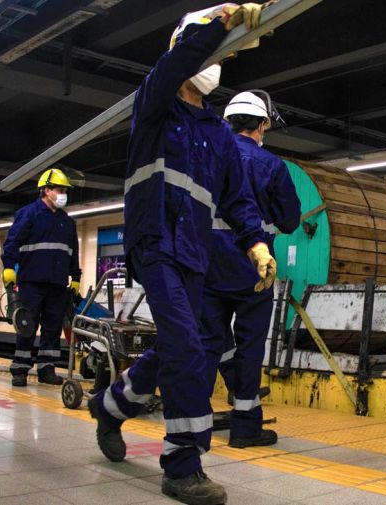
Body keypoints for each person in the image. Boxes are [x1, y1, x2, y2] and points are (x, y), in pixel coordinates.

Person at [86, 4, 272, 504]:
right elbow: (174, 62)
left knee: (178, 347)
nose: (215, 65)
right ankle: (182, 464)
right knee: (192, 350)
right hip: (154, 242)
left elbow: (237, 199)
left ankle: (109, 406)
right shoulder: (155, 105)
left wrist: (255, 241)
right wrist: (220, 24)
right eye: (210, 55)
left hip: (194, 253)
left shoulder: (218, 135)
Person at [203, 90, 300, 448]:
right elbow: (289, 220)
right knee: (250, 348)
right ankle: (245, 429)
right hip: (254, 271)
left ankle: (193, 428)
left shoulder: (207, 160)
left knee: (207, 342)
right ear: (261, 124)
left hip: (208, 269)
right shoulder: (272, 166)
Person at [1, 168, 81, 387]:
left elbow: (72, 252)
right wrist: (9, 267)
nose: (63, 193)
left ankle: (47, 368)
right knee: (27, 324)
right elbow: (12, 242)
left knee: (52, 327)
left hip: (57, 283)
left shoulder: (67, 222)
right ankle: (20, 369)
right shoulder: (28, 213)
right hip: (31, 281)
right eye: (59, 189)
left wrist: (75, 277)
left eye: (65, 190)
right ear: (46, 190)